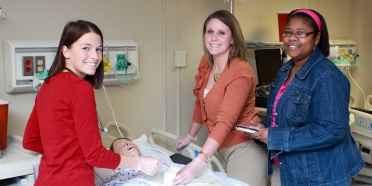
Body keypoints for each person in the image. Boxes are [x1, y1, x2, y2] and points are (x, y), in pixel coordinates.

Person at [22, 20, 163, 186]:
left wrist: (63, 153)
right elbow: (95, 155)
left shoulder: (46, 85)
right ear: (65, 51)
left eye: (99, 49)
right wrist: (141, 163)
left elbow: (30, 141)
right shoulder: (80, 88)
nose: (95, 56)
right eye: (86, 48)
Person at [249, 8, 365, 186]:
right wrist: (264, 127)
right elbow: (284, 116)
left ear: (316, 38)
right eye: (288, 32)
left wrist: (274, 137)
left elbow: (331, 130)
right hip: (288, 169)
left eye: (301, 33)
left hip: (318, 176)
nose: (292, 38)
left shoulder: (327, 76)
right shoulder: (285, 70)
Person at [173, 10, 267, 185]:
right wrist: (189, 136)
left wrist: (196, 164)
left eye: (221, 32)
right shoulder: (206, 64)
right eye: (210, 32)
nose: (213, 38)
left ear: (232, 38)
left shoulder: (240, 71)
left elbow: (224, 121)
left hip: (243, 147)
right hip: (217, 148)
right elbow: (200, 103)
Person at [98, 138, 172, 186]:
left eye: (130, 142)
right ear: (114, 155)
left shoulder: (159, 162)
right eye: (120, 145)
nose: (128, 143)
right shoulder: (116, 176)